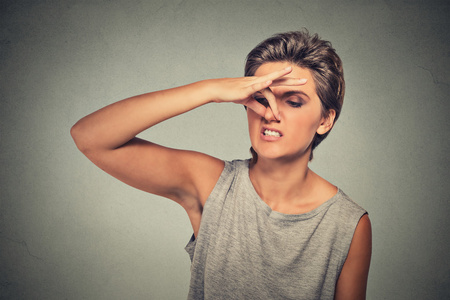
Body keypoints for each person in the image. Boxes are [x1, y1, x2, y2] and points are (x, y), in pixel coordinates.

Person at [71, 30, 371, 300]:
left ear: (325, 120)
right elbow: (90, 137)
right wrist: (210, 91)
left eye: (293, 101)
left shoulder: (348, 224)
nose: (271, 114)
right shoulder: (212, 184)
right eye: (261, 98)